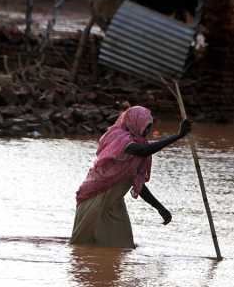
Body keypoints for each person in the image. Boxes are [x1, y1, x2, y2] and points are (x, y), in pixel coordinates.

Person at [70, 105, 191, 248]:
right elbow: (143, 151)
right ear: (135, 123)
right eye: (146, 126)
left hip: (113, 203)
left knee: (123, 246)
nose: (148, 131)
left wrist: (160, 208)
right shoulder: (119, 138)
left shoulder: (140, 145)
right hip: (95, 197)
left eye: (149, 127)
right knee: (82, 246)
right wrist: (177, 136)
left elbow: (138, 183)